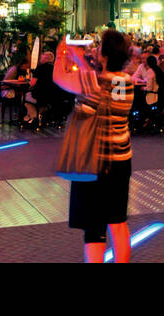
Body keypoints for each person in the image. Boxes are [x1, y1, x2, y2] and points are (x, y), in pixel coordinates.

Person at [54, 29, 134, 263]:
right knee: (118, 222)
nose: (95, 50)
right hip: (120, 160)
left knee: (94, 226)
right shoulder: (124, 81)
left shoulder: (92, 82)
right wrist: (78, 57)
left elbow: (59, 77)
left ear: (106, 56)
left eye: (100, 48)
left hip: (93, 162)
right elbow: (100, 85)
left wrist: (61, 55)